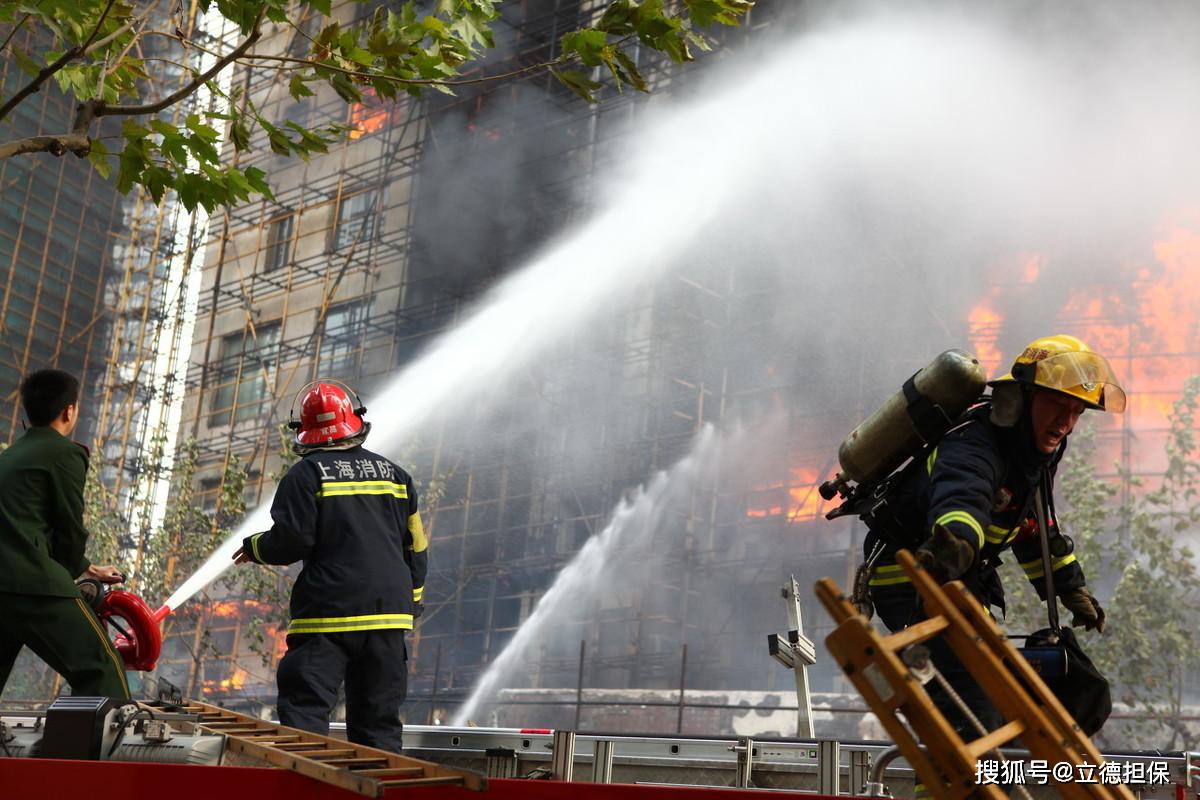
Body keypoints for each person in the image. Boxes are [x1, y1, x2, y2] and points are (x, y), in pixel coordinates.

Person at [861, 335, 1122, 745]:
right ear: (1021, 397)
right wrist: (959, 542)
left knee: (1066, 694)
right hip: (915, 577)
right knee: (969, 709)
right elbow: (962, 497)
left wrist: (1071, 589)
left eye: (1076, 411)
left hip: (964, 580)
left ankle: (1002, 774)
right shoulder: (973, 443)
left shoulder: (1034, 449)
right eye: (1057, 405)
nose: (1066, 422)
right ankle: (961, 784)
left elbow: (1034, 523)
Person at [234, 381, 426, 752]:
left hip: (327, 618)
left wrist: (254, 546)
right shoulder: (397, 477)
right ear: (354, 419)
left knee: (305, 718)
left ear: (305, 431)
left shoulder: (305, 475)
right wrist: (411, 601)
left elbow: (292, 541)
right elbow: (417, 548)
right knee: (379, 727)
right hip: (388, 619)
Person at [0, 369, 130, 699]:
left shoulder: (9, 457)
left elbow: (23, 522)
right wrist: (76, 566)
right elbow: (69, 529)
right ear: (69, 411)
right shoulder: (64, 454)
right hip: (30, 584)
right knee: (101, 669)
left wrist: (86, 567)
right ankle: (87, 751)